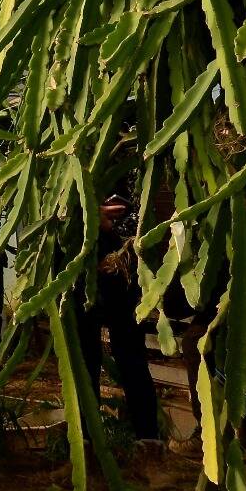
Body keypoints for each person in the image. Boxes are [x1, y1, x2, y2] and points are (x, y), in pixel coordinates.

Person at [75, 190, 163, 452]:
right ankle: (85, 444)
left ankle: (148, 442)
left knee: (130, 357)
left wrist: (106, 224)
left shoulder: (130, 160)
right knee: (84, 360)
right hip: (83, 272)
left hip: (122, 272)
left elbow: (137, 207)